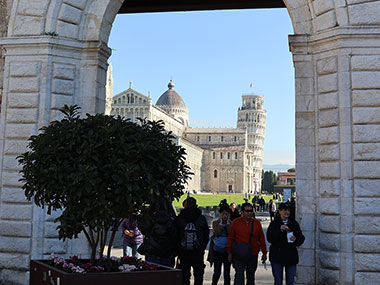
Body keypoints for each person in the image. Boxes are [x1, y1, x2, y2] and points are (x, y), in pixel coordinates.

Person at [227, 203, 267, 285]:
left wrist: (264, 253)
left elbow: (262, 238)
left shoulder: (256, 223)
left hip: (252, 253)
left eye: (251, 211)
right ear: (242, 212)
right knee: (239, 276)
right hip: (239, 253)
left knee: (251, 277)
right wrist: (229, 252)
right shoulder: (236, 222)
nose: (249, 213)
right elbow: (230, 238)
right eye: (247, 211)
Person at [266, 203, 305, 285]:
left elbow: (301, 238)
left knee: (290, 281)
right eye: (284, 210)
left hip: (290, 256)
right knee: (278, 281)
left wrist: (295, 239)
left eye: (288, 210)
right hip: (277, 256)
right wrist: (279, 230)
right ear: (279, 211)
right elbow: (270, 238)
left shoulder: (294, 223)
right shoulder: (274, 223)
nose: (287, 212)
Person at [176, 197, 210, 285]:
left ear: (185, 205)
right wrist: (202, 246)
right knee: (198, 274)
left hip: (184, 251)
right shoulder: (201, 218)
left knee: (185, 274)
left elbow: (176, 234)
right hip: (197, 251)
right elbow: (206, 235)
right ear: (196, 205)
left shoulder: (180, 218)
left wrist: (179, 248)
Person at [139, 201, 178, 267]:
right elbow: (176, 235)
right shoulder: (172, 220)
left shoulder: (150, 218)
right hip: (168, 251)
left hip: (152, 250)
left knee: (152, 274)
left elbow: (143, 230)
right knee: (167, 273)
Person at [208, 204, 232, 285]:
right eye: (223, 214)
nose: (225, 216)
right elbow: (217, 232)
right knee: (217, 272)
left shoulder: (231, 223)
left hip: (227, 251)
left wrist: (228, 223)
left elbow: (230, 234)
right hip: (217, 251)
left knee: (227, 273)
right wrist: (221, 223)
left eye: (226, 214)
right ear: (220, 214)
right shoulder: (215, 223)